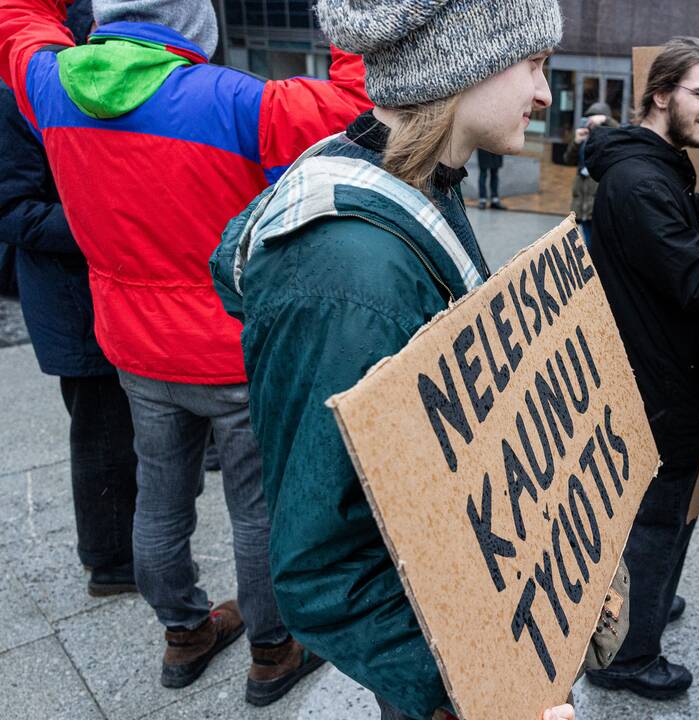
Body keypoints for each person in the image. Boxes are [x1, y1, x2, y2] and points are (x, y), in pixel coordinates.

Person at [211, 2, 614, 718]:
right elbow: (322, 571)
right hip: (441, 667)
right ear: (466, 65)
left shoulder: (417, 180)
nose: (546, 93)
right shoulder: (348, 279)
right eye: (533, 64)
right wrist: (492, 692)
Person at [0, 0, 373, 705]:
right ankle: (271, 651)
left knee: (160, 503)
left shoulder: (51, 85)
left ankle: (183, 633)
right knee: (256, 510)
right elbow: (357, 103)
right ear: (195, 25)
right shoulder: (233, 100)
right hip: (230, 354)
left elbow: (18, 21)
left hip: (133, 351)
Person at [581, 36, 699, 699]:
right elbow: (698, 289)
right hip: (660, 384)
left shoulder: (656, 169)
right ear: (660, 95)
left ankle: (650, 599)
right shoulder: (643, 179)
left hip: (661, 372)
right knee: (655, 521)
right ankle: (628, 656)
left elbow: (665, 271)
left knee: (668, 516)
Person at [0, 0, 137, 598]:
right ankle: (109, 561)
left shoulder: (86, 66)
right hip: (69, 300)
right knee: (100, 431)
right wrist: (112, 219)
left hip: (107, 286)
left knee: (122, 426)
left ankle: (127, 545)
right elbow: (17, 214)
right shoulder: (12, 95)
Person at [564, 101, 618, 245]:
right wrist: (576, 142)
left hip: (598, 198)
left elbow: (620, 133)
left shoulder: (610, 141)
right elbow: (568, 159)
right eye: (590, 119)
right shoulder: (584, 138)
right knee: (588, 239)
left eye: (595, 119)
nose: (591, 123)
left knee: (595, 243)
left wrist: (606, 120)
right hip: (582, 199)